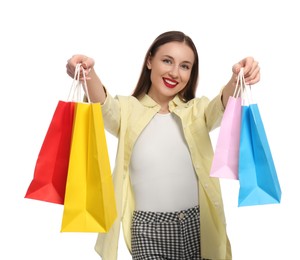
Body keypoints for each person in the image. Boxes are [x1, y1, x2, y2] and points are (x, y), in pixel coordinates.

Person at [66, 31, 260, 260]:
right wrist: (87, 74)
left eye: (185, 66)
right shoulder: (127, 111)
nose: (174, 73)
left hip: (198, 226)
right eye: (167, 61)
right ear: (150, 61)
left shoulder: (196, 112)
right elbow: (104, 106)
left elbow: (222, 106)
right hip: (148, 231)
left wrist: (239, 77)